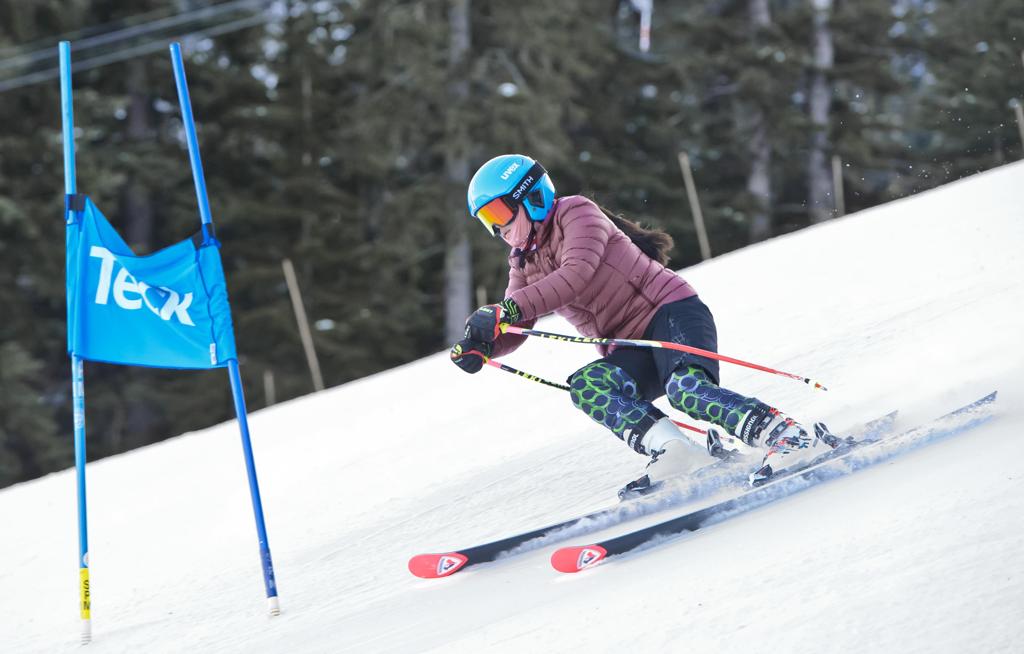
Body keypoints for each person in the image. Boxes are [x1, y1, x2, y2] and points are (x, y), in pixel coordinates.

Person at [450, 153, 827, 489]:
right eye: (487, 220)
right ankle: (677, 452)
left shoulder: (576, 213)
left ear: (531, 197)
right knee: (588, 386)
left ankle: (786, 436)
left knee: (686, 390)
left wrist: (505, 312)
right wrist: (484, 343)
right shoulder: (523, 260)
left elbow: (575, 274)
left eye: (499, 213)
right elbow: (519, 319)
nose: (498, 229)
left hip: (670, 314)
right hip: (629, 347)